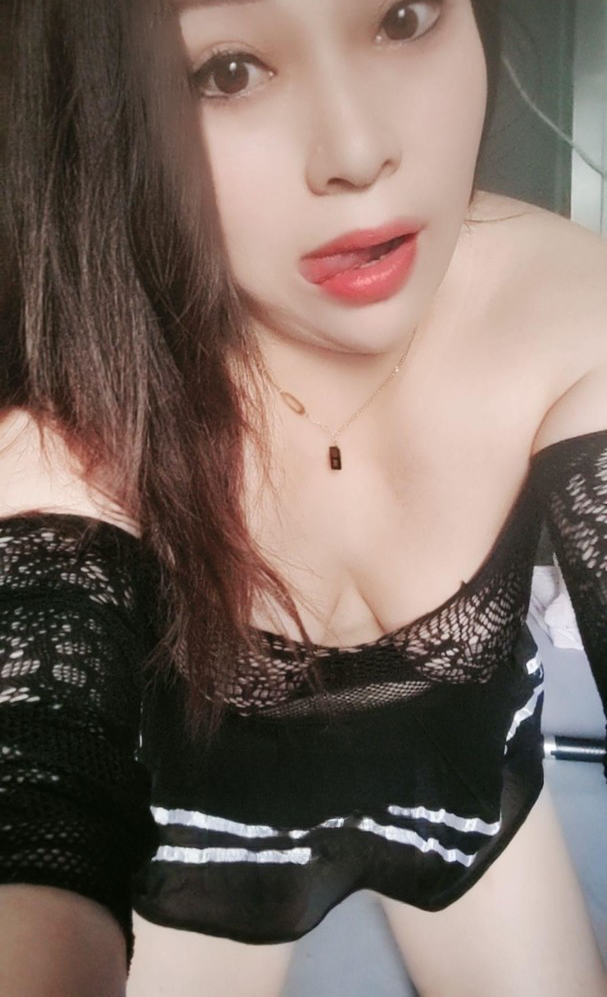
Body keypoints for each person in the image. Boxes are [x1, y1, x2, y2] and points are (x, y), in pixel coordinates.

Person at [0, 0, 606, 994]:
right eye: (227, 71)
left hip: (461, 799)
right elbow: (33, 794)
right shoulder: (70, 417)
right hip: (212, 843)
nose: (359, 152)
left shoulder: (570, 311)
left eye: (402, 17)